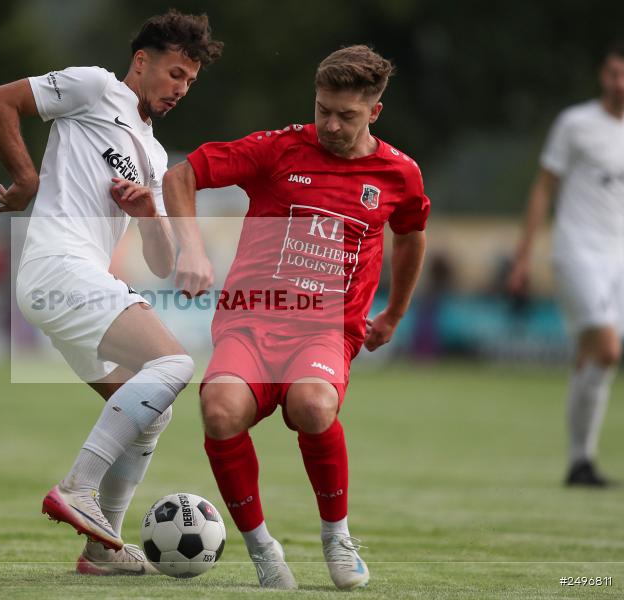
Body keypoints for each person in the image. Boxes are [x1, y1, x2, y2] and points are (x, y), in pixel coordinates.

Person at [163, 45, 429, 590]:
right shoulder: (278, 149)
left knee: (312, 403)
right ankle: (263, 550)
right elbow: (181, 176)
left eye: (346, 115)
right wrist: (190, 248)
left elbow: (410, 236)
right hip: (249, 323)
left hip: (327, 330)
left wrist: (395, 314)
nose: (330, 124)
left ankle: (337, 536)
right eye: (323, 109)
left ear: (374, 112)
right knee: (218, 410)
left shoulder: (399, 173)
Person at [0, 10, 222, 574]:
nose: (182, 88)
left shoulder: (155, 154)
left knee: (150, 409)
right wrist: (27, 179)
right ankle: (77, 488)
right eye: (176, 74)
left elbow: (159, 261)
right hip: (58, 265)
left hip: (75, 278)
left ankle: (100, 548)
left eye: (190, 81)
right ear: (142, 61)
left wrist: (147, 213)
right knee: (174, 364)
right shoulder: (93, 87)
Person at [509, 41, 624, 487]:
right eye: (613, 73)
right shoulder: (576, 124)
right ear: (603, 75)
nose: (619, 83)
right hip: (577, 248)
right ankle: (581, 461)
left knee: (597, 357)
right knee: (608, 347)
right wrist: (523, 256)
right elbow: (543, 189)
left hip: (620, 255)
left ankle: (581, 462)